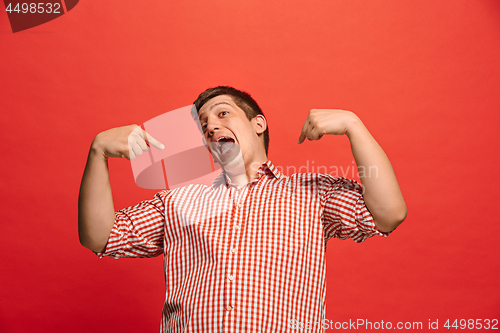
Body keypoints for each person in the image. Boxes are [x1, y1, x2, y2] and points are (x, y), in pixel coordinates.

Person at [78, 86, 407, 332]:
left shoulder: (311, 192)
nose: (210, 126)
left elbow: (388, 213)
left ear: (258, 124)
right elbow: (100, 236)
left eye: (222, 114)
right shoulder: (178, 201)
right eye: (203, 124)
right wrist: (98, 153)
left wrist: (354, 126)